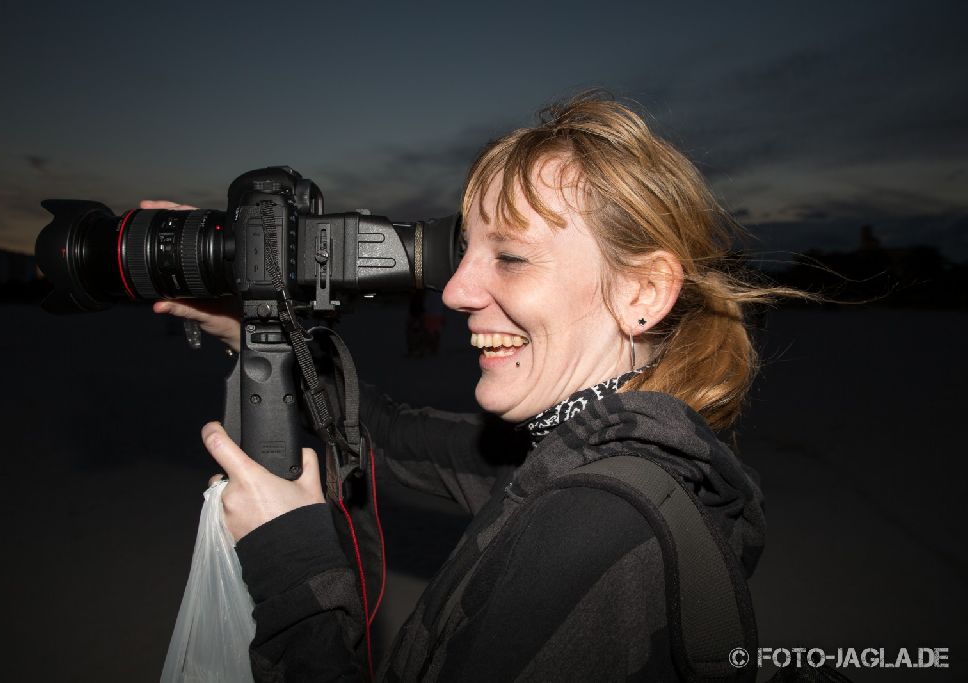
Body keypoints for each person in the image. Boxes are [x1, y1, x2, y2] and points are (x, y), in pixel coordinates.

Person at [150, 93, 778, 681]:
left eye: (510, 257)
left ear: (642, 292)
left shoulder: (597, 524)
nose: (452, 293)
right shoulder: (579, 445)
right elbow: (390, 436)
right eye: (466, 252)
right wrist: (249, 325)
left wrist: (287, 556)